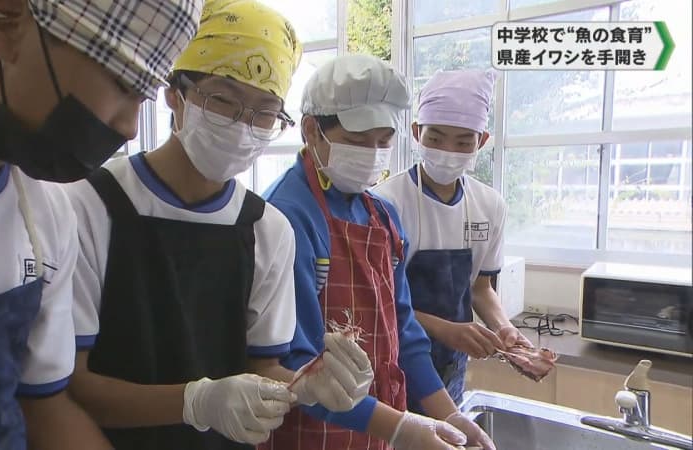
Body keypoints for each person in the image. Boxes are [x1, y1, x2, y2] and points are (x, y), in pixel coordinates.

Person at [64, 2, 374, 449]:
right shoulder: (90, 206)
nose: (242, 126)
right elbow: (70, 386)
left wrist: (305, 386)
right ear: (175, 94)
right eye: (223, 100)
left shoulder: (267, 229)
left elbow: (261, 369)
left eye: (265, 112)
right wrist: (195, 402)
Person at [0, 0, 202, 448]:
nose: (131, 127)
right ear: (6, 22)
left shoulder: (48, 213)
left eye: (145, 94)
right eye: (122, 84)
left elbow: (44, 406)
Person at [259, 54, 495, 450]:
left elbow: (402, 327)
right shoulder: (287, 216)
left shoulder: (382, 215)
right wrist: (402, 428)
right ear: (312, 131)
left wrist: (446, 412)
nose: (371, 153)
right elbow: (295, 363)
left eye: (383, 141)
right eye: (355, 141)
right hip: (310, 432)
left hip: (375, 426)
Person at [373, 69, 533, 407]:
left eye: (463, 142)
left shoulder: (489, 206)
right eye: (435, 137)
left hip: (452, 363)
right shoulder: (384, 203)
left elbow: (480, 289)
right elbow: (376, 304)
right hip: (390, 361)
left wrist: (503, 327)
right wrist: (446, 328)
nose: (448, 150)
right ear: (416, 133)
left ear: (482, 141)